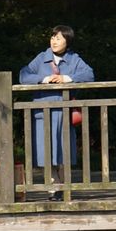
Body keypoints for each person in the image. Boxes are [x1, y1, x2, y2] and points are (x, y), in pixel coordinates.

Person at [19, 25, 94, 201]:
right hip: (43, 112)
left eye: (58, 38)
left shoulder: (74, 59)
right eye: (52, 37)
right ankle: (54, 187)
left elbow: (89, 75)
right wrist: (43, 79)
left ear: (67, 42)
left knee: (63, 151)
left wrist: (66, 79)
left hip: (64, 112)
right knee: (46, 152)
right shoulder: (41, 58)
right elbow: (23, 75)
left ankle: (63, 186)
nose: (54, 41)